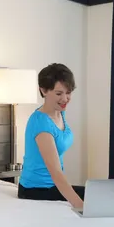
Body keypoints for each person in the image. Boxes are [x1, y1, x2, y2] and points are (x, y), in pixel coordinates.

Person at [17, 63, 84, 209]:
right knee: (94, 198)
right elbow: (56, 173)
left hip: (52, 186)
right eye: (59, 94)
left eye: (68, 92)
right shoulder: (41, 124)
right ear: (44, 90)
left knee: (100, 195)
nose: (65, 99)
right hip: (35, 190)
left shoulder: (59, 112)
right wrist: (81, 207)